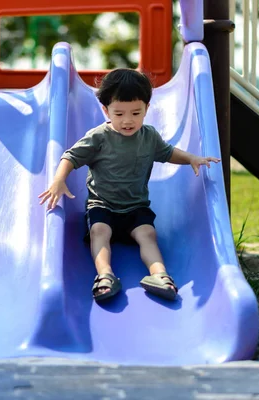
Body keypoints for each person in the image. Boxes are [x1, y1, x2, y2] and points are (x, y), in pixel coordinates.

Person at [38, 68, 220, 302]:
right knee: (99, 231)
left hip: (135, 207)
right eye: (119, 113)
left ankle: (161, 276)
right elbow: (70, 156)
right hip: (102, 205)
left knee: (148, 234)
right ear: (106, 111)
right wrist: (58, 180)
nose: (127, 120)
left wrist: (192, 158)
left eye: (136, 112)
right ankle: (105, 275)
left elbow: (167, 152)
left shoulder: (149, 136)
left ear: (146, 109)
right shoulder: (99, 137)